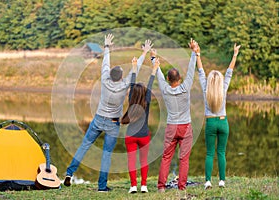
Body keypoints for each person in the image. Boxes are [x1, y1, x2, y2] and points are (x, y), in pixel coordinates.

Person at [63, 34, 153, 192]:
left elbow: (105, 62)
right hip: (112, 123)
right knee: (106, 154)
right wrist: (144, 53)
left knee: (85, 145)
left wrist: (107, 47)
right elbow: (136, 69)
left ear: (110, 75)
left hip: (98, 119)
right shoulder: (124, 85)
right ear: (120, 77)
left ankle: (70, 173)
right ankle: (102, 186)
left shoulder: (105, 79)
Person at [152, 39, 199, 192]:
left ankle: (161, 187)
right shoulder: (186, 87)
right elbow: (192, 70)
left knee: (166, 157)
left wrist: (153, 58)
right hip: (185, 127)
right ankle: (182, 187)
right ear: (179, 79)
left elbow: (157, 72)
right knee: (184, 159)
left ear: (168, 80)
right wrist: (193, 52)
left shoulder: (165, 89)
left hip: (172, 127)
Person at [196, 43, 241, 189]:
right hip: (223, 122)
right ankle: (222, 181)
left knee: (209, 153)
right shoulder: (224, 87)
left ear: (209, 81)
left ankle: (208, 181)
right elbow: (230, 71)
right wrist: (235, 54)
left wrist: (197, 54)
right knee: (221, 152)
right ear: (220, 81)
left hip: (210, 123)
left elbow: (201, 71)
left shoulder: (205, 88)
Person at [121, 56, 159, 194]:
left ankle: (133, 186)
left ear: (132, 94)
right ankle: (144, 186)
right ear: (144, 93)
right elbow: (149, 85)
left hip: (130, 135)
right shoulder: (147, 101)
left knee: (131, 161)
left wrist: (134, 67)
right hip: (144, 136)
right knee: (144, 161)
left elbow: (132, 85)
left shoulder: (131, 99)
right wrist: (154, 69)